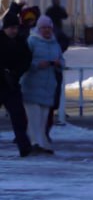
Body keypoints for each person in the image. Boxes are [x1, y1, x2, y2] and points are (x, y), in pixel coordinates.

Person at [20, 16, 61, 155]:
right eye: (44, 28)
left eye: (49, 28)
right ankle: (34, 143)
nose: (47, 31)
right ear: (39, 29)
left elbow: (62, 60)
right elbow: (23, 61)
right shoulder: (32, 41)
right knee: (34, 117)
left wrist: (59, 64)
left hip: (48, 86)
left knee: (43, 118)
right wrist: (37, 65)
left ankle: (42, 143)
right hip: (32, 84)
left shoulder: (55, 43)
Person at [0, 11, 33, 157]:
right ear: (5, 28)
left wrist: (15, 73)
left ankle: (24, 147)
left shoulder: (21, 42)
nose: (14, 31)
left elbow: (26, 60)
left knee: (19, 116)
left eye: (16, 28)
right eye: (11, 28)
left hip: (11, 86)